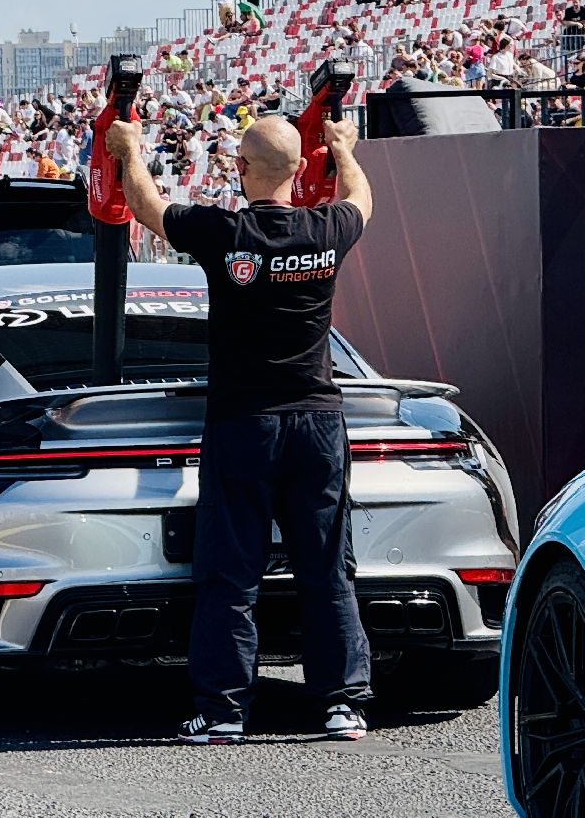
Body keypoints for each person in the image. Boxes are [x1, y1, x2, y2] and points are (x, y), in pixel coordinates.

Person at [105, 114, 374, 746]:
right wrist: (343, 147)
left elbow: (147, 206)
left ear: (239, 170)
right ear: (301, 172)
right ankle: (344, 705)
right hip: (317, 420)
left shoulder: (222, 232)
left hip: (242, 424)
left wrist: (130, 149)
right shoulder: (326, 228)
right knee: (328, 565)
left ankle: (224, 710)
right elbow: (361, 199)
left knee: (232, 569)